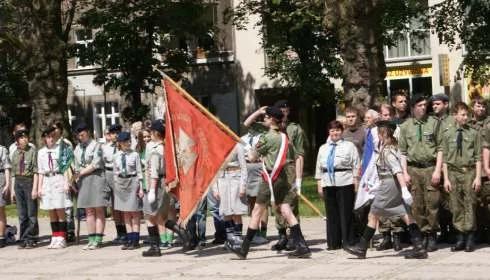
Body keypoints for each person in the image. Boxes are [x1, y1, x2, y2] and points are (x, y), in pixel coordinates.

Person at [226, 106, 311, 259]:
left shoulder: (267, 138)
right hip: (284, 178)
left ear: (271, 119)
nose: (263, 119)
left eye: (265, 117)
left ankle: (244, 249)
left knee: (257, 211)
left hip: (271, 178)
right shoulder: (284, 137)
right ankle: (302, 245)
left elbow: (252, 157)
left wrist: (250, 151)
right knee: (286, 209)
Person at [345, 120, 428, 259]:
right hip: (391, 184)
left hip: (389, 185)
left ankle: (361, 248)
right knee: (406, 214)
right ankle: (419, 246)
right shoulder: (391, 147)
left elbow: (397, 171)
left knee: (373, 215)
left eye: (379, 133)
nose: (377, 136)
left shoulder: (388, 151)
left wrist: (404, 189)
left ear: (385, 134)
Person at [399, 94, 442, 252]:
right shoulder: (405, 126)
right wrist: (405, 173)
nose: (423, 107)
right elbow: (402, 152)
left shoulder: (434, 123)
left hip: (430, 167)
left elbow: (440, 149)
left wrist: (438, 170)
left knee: (432, 203)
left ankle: (432, 234)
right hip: (413, 169)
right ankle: (422, 234)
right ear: (412, 108)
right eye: (419, 105)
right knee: (416, 204)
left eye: (425, 105)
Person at [441, 102, 481, 252]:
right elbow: (444, 158)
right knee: (455, 204)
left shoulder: (474, 133)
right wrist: (446, 178)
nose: (466, 117)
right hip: (452, 172)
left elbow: (478, 157)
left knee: (470, 203)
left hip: (469, 172)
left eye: (467, 115)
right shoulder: (447, 134)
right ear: (455, 116)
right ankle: (460, 237)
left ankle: (470, 236)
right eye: (463, 115)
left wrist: (477, 177)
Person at [315, 120, 360, 250]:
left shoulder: (349, 146)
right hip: (328, 182)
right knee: (331, 213)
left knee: (346, 212)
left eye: (337, 130)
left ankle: (348, 241)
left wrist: (356, 181)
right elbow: (319, 167)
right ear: (329, 132)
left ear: (342, 131)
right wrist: (319, 184)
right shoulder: (323, 148)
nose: (335, 133)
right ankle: (333, 242)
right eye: (332, 130)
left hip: (345, 181)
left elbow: (356, 164)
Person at [73, 123, 108, 250]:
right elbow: (76, 164)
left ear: (88, 133)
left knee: (98, 209)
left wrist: (80, 173)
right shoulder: (77, 148)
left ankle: (98, 239)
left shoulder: (97, 145)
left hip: (96, 177)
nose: (80, 137)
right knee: (88, 210)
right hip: (83, 180)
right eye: (78, 136)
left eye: (82, 135)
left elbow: (96, 163)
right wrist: (76, 178)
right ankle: (91, 238)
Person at [37, 126, 73, 249]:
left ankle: (62, 237)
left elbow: (66, 167)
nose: (50, 139)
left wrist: (66, 182)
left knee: (60, 209)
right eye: (48, 137)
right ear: (44, 139)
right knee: (51, 210)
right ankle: (55, 236)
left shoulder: (61, 150)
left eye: (52, 136)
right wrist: (39, 187)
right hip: (47, 181)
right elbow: (41, 171)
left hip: (58, 178)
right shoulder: (41, 152)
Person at [376, 103, 405, 251]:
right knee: (381, 210)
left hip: (392, 176)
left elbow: (400, 155)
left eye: (388, 115)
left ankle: (397, 236)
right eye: (384, 115)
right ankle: (385, 236)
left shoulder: (396, 131)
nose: (386, 118)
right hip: (381, 176)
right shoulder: (377, 132)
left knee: (395, 208)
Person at [429, 93, 455, 244]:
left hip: (449, 165)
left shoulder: (453, 120)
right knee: (435, 200)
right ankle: (443, 230)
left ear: (446, 104)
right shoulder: (430, 121)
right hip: (434, 165)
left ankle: (453, 230)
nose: (434, 106)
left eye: (438, 104)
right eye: (433, 104)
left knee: (450, 200)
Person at [212, 143, 248, 246]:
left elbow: (244, 167)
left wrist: (243, 186)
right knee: (226, 211)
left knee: (236, 210)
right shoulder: (217, 146)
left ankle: (238, 238)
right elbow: (214, 169)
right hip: (222, 179)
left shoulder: (237, 146)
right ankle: (230, 238)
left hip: (236, 178)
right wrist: (215, 189)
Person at [113, 131, 144, 250]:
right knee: (125, 212)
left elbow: (139, 172)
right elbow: (115, 172)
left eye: (129, 141)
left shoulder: (135, 155)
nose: (128, 143)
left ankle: (135, 239)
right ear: (120, 143)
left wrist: (140, 188)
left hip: (132, 182)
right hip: (121, 183)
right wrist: (116, 186)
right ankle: (129, 238)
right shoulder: (116, 156)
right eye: (125, 142)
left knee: (134, 212)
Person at [11, 129, 39, 248]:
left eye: (26, 137)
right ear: (17, 140)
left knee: (31, 212)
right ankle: (23, 238)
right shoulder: (15, 153)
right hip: (18, 182)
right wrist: (13, 189)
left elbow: (36, 171)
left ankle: (31, 238)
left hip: (29, 181)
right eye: (22, 138)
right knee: (22, 213)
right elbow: (13, 173)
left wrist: (35, 188)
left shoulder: (32, 151)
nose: (25, 139)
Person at [50, 121, 76, 243]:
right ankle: (60, 232)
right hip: (53, 179)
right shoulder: (50, 143)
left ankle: (70, 231)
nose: (54, 131)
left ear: (60, 130)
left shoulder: (65, 144)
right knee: (56, 206)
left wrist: (70, 181)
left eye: (55, 129)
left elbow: (69, 163)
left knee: (67, 207)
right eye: (52, 129)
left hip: (65, 176)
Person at [469, 96, 490, 243]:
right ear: (472, 107)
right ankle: (479, 230)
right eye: (478, 106)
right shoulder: (468, 124)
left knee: (487, 200)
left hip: (487, 168)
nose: (481, 108)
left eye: (483, 106)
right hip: (473, 168)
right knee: (475, 201)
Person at [102, 124, 127, 245]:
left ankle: (127, 231)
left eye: (117, 133)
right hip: (109, 174)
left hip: (121, 176)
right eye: (113, 134)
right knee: (113, 205)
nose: (115, 136)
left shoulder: (125, 147)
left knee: (122, 203)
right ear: (109, 135)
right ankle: (120, 232)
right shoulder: (105, 147)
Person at [0, 142, 11, 247]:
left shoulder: (2, 149)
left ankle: (1, 237)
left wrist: (7, 183)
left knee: (0, 209)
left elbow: (7, 167)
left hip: (0, 178)